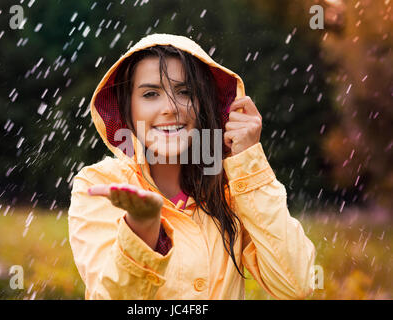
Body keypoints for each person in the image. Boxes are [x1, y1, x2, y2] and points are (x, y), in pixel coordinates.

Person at [68, 33, 316, 300]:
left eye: (185, 92)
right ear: (126, 108)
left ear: (203, 105)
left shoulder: (231, 190)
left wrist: (248, 162)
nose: (171, 108)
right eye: (150, 94)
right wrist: (141, 231)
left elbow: (296, 285)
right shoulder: (100, 185)